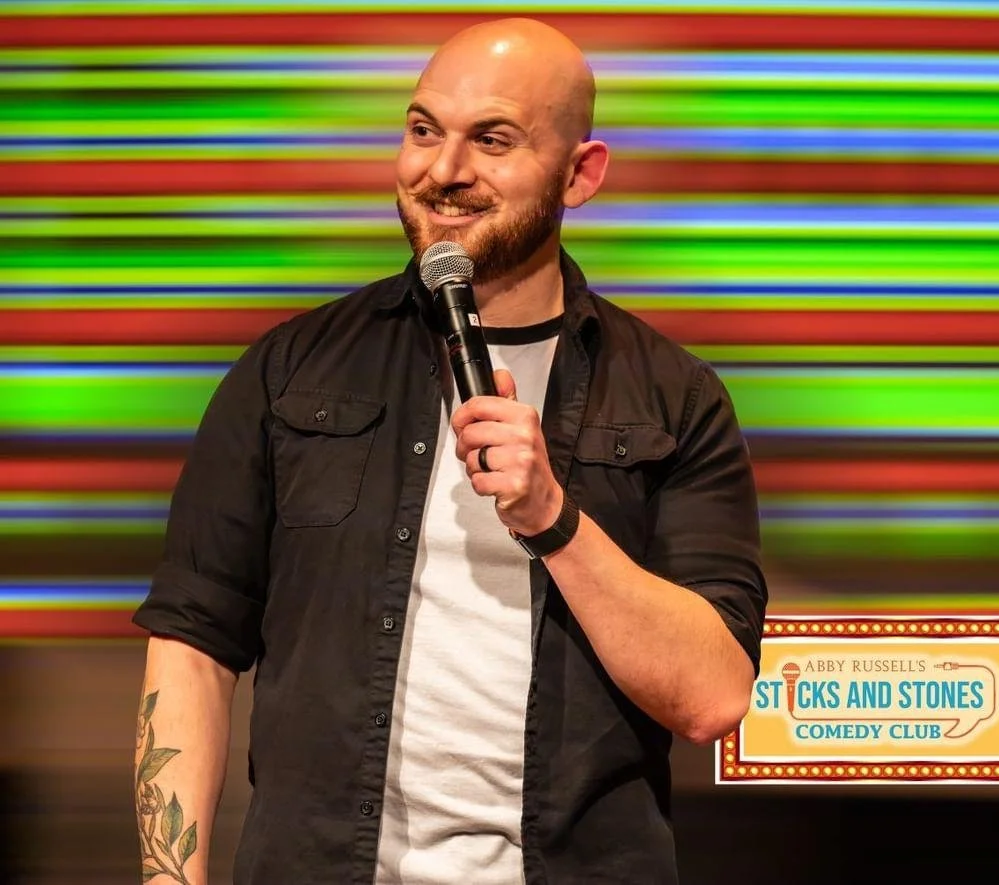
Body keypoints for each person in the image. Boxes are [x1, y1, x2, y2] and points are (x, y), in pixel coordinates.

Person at [132, 17, 767, 885]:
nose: (443, 171)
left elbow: (714, 696)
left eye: (492, 140)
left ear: (580, 174)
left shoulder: (674, 399)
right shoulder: (289, 371)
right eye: (424, 130)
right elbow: (192, 642)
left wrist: (553, 518)